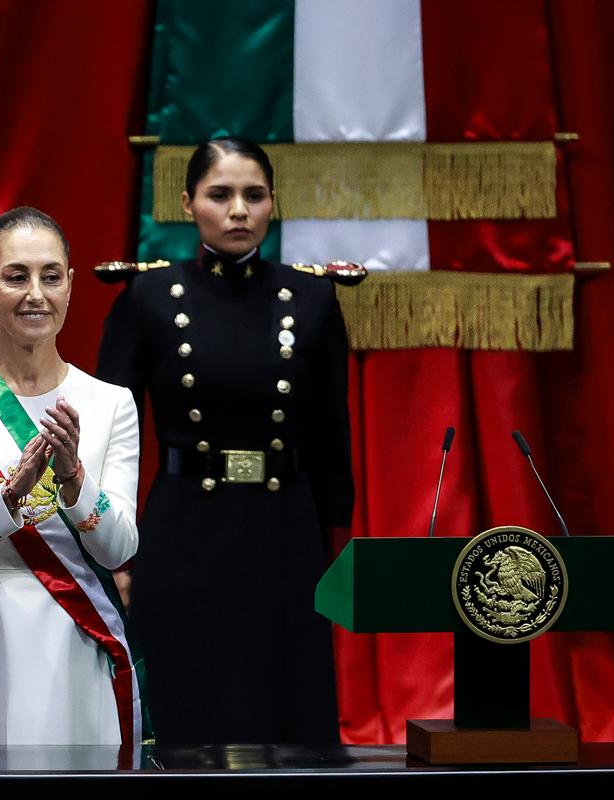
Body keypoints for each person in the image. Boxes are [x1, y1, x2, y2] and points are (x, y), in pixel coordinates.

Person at [96, 136, 355, 744]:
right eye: (220, 195)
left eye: (254, 195)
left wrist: (335, 541)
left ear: (273, 202)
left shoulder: (313, 299)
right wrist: (114, 555)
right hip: (185, 527)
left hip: (284, 526)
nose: (239, 210)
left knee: (286, 715)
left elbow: (331, 435)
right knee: (186, 710)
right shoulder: (148, 298)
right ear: (188, 203)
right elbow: (111, 438)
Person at [0, 207, 147, 747]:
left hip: (78, 641)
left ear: (71, 285)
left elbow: (119, 549)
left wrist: (74, 479)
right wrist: (10, 495)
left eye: (51, 276)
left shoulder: (111, 404)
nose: (35, 294)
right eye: (16, 277)